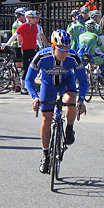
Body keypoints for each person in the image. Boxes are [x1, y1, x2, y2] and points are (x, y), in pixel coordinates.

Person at [25, 29, 88, 174]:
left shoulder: (74, 57)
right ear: (53, 47)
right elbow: (28, 79)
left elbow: (83, 81)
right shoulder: (42, 56)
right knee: (46, 119)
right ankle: (46, 156)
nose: (66, 53)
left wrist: (81, 100)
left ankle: (69, 128)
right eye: (61, 50)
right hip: (48, 85)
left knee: (71, 100)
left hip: (66, 82)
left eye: (68, 49)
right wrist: (35, 97)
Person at [1, 10, 45, 94]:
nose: (34, 19)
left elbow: (37, 37)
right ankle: (23, 86)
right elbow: (14, 36)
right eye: (32, 17)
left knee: (33, 66)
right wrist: (7, 44)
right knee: (26, 67)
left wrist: (41, 46)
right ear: (28, 18)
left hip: (33, 49)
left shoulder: (35, 26)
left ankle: (30, 84)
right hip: (25, 49)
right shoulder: (22, 26)